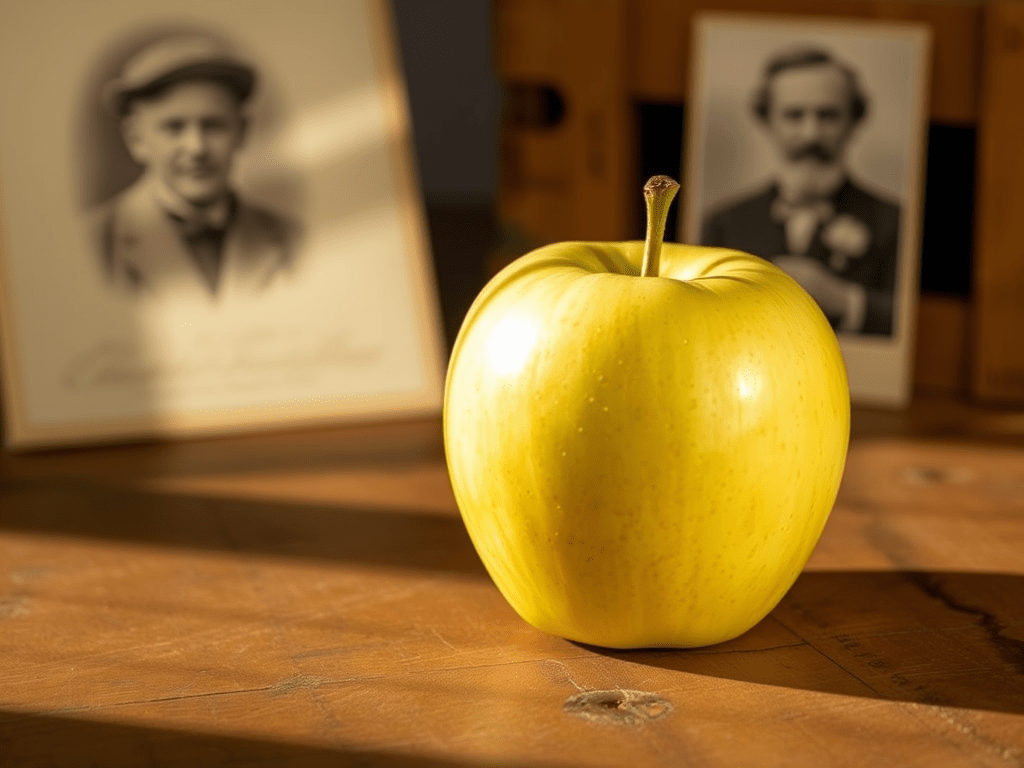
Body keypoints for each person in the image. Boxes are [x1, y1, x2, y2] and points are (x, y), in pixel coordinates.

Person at [701, 47, 899, 336]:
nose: (811, 134)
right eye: (794, 116)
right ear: (768, 121)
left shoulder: (895, 222)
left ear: (853, 122)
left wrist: (847, 301)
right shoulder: (724, 224)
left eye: (828, 116)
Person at [91, 34, 297, 298]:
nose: (197, 148)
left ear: (242, 132)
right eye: (174, 128)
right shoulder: (99, 240)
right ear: (136, 140)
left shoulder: (290, 238)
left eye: (213, 126)